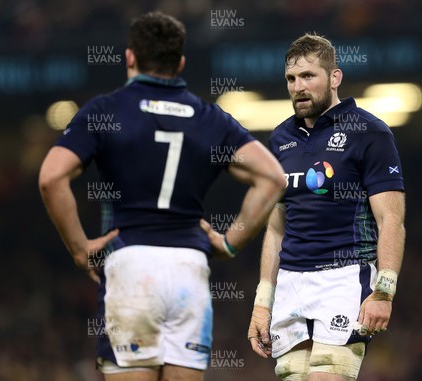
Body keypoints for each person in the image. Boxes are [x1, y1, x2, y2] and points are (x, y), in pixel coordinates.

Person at [39, 11, 285, 381]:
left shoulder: (107, 110)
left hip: (131, 264)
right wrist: (231, 243)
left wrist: (78, 247)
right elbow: (273, 178)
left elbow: (51, 177)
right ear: (180, 63)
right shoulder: (209, 118)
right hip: (189, 267)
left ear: (130, 58)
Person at [247, 33, 406, 381]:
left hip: (345, 278)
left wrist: (385, 290)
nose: (298, 87)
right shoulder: (279, 140)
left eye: (308, 76)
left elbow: (391, 219)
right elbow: (276, 228)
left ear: (335, 77)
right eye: (291, 78)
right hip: (290, 283)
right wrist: (263, 301)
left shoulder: (369, 131)